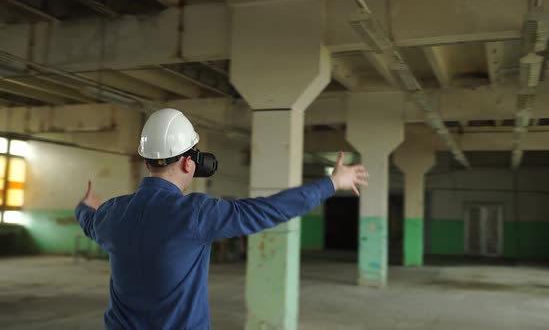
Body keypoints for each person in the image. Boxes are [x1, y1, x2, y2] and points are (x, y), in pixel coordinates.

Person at [75, 108, 369, 329]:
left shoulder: (112, 214)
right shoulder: (196, 213)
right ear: (189, 162)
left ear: (147, 159)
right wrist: (331, 183)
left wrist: (84, 207)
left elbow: (88, 221)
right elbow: (271, 209)